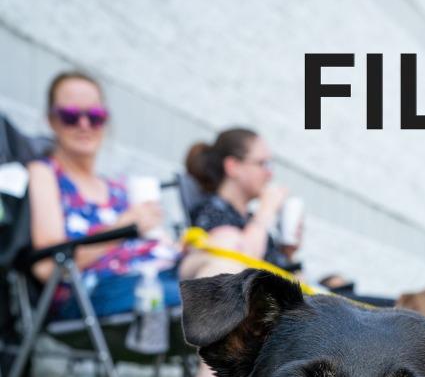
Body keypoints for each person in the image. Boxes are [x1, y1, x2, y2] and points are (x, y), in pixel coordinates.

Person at [28, 71, 180, 319]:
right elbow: (47, 267)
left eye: (95, 116)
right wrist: (122, 228)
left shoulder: (117, 187)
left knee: (232, 286)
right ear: (52, 121)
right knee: (216, 307)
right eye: (70, 116)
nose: (84, 124)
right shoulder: (46, 173)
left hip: (160, 276)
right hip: (100, 291)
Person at [181, 127, 300, 281]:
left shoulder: (249, 221)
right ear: (233, 166)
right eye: (262, 163)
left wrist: (287, 253)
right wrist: (266, 211)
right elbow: (239, 265)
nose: (270, 173)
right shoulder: (211, 212)